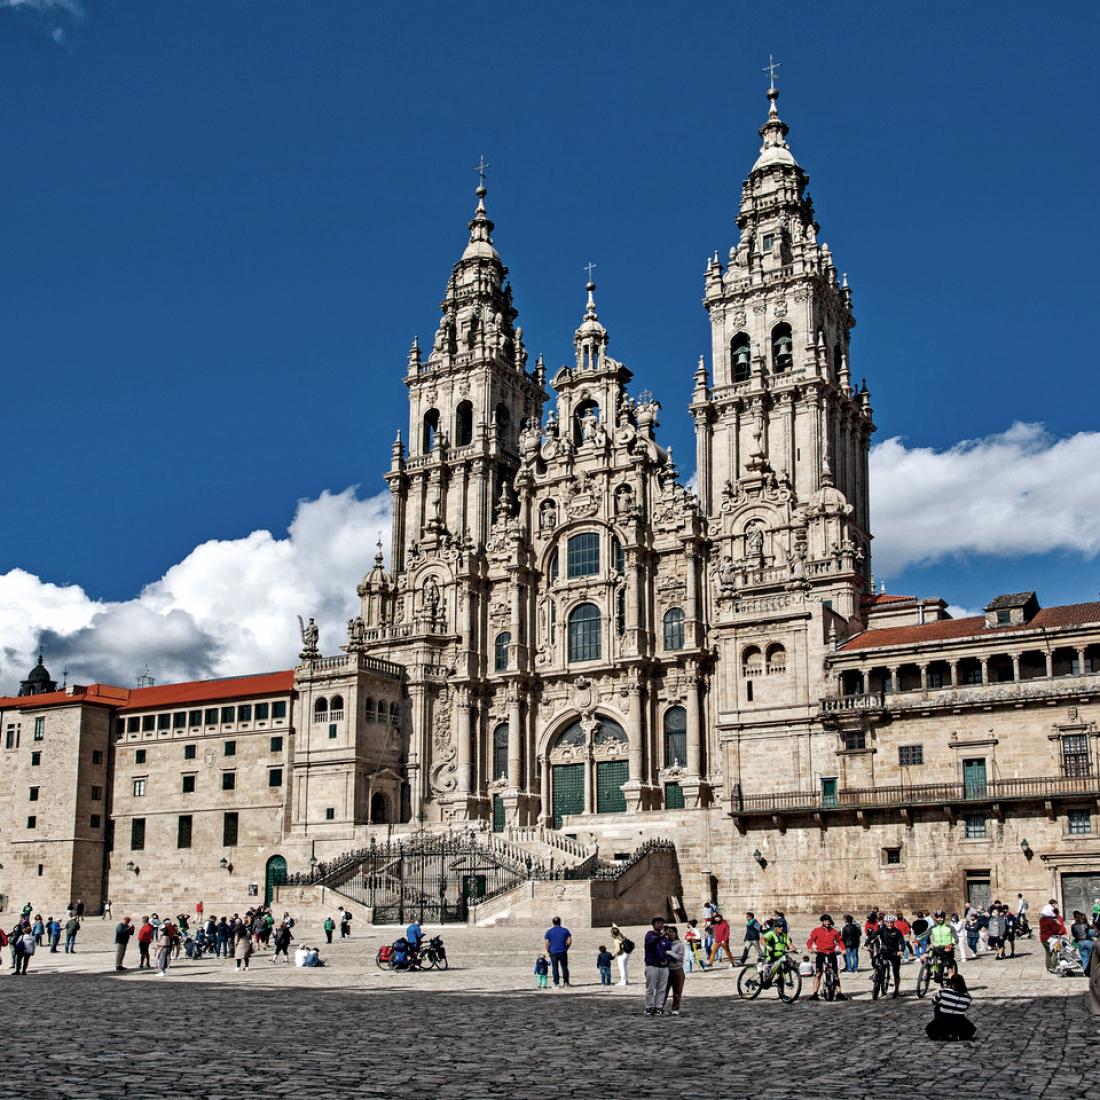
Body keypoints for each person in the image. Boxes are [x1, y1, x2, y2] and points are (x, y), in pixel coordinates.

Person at [925, 967, 975, 1041]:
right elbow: (963, 1009)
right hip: (958, 1021)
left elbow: (934, 1001)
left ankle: (943, 1032)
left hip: (943, 1019)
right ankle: (956, 1033)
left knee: (937, 1008)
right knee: (969, 1028)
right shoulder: (968, 997)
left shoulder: (944, 991)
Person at [806, 914, 846, 1001]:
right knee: (818, 974)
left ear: (831, 922)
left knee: (835, 974)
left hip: (831, 953)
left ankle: (839, 993)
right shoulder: (816, 931)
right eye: (825, 921)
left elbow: (840, 941)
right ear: (823, 922)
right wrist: (810, 948)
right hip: (820, 953)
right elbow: (810, 941)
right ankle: (815, 993)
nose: (827, 923)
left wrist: (843, 949)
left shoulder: (834, 931)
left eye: (828, 921)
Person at [643, 917, 670, 1017]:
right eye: (658, 923)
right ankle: (648, 1008)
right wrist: (661, 936)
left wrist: (666, 959)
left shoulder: (665, 939)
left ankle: (659, 1007)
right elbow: (651, 942)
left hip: (663, 967)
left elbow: (668, 950)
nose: (660, 925)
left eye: (661, 923)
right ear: (653, 925)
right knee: (650, 988)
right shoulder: (649, 935)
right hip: (652, 965)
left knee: (662, 988)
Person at [876, 915, 905, 997]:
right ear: (885, 922)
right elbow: (873, 936)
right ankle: (879, 979)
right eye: (887, 922)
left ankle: (896, 989)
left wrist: (901, 950)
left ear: (893, 922)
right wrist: (866, 944)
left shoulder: (897, 931)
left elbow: (902, 942)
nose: (889, 924)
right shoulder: (882, 930)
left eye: (891, 922)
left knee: (896, 971)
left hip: (894, 953)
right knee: (878, 963)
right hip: (884, 952)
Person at [760, 917, 792, 984]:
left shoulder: (784, 935)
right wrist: (767, 946)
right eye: (780, 927)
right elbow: (762, 939)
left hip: (780, 957)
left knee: (790, 964)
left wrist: (796, 950)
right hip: (770, 957)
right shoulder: (771, 933)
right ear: (776, 927)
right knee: (766, 981)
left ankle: (781, 992)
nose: (782, 928)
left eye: (782, 927)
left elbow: (789, 944)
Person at [544, 916, 572, 988]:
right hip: (563, 951)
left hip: (553, 952)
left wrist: (548, 950)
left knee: (555, 968)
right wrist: (566, 948)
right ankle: (566, 983)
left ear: (553, 922)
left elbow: (546, 943)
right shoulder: (565, 930)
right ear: (560, 922)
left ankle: (556, 983)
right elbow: (569, 940)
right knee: (564, 967)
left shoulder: (549, 931)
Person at [663, 926, 685, 1016]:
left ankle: (675, 1008)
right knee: (664, 990)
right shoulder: (664, 943)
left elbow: (680, 957)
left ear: (676, 933)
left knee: (677, 991)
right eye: (668, 932)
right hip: (666, 970)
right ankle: (660, 1007)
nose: (670, 934)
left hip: (677, 970)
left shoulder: (679, 945)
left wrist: (669, 952)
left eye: (672, 932)